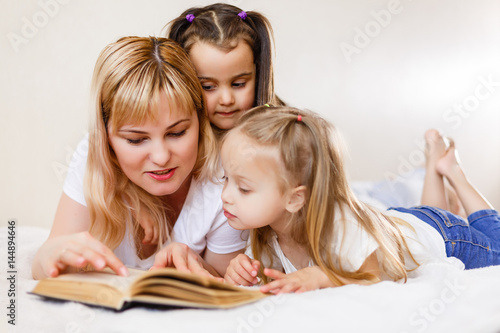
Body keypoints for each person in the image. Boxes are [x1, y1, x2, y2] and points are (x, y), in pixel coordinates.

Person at [32, 36, 247, 280]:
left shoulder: (224, 178)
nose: (161, 156)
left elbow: (226, 283)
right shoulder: (91, 156)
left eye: (177, 133)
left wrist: (196, 264)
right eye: (136, 140)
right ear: (106, 137)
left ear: (200, 120)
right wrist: (50, 254)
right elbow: (46, 263)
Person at [221, 106, 499, 294]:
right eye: (225, 180)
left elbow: (372, 275)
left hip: (446, 234)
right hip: (405, 224)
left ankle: (455, 173)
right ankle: (435, 167)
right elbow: (273, 276)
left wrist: (320, 277)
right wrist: (244, 273)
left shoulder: (341, 224)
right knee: (429, 220)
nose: (225, 196)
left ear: (295, 199)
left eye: (243, 188)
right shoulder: (270, 231)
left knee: (496, 246)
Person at [165, 3, 284, 133]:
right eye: (208, 86)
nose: (227, 100)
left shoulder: (284, 137)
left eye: (238, 84)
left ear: (258, 73)